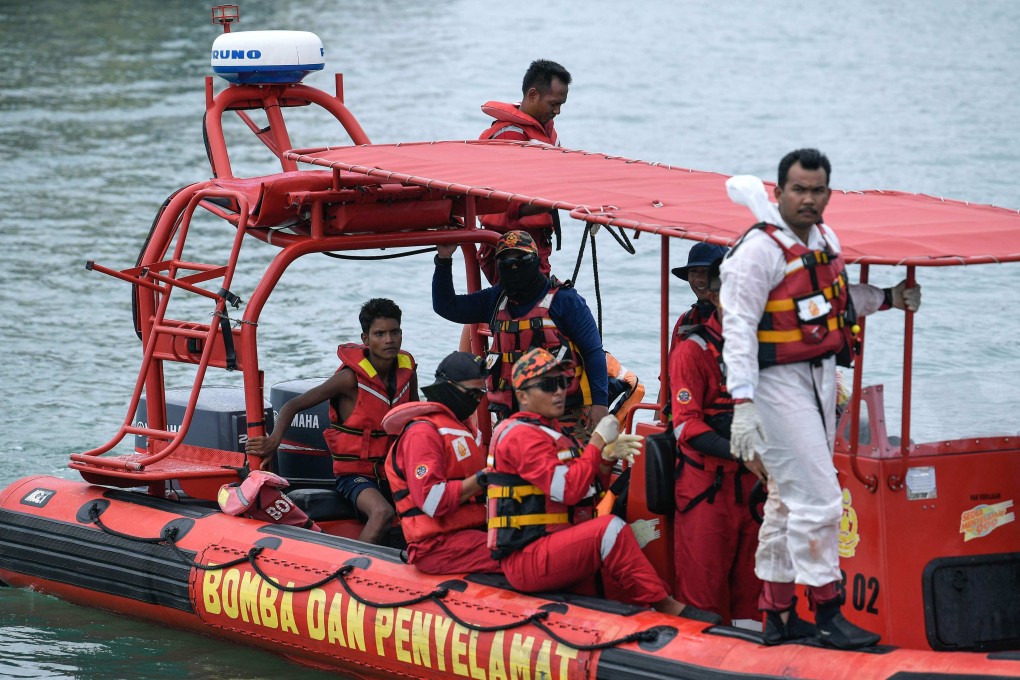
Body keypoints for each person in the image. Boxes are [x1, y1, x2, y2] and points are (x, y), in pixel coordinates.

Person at [720, 149, 922, 648]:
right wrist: (743, 404)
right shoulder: (758, 252)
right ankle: (828, 609)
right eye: (799, 189)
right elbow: (739, 329)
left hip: (819, 375)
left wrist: (890, 299)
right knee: (822, 498)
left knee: (788, 502)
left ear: (828, 194)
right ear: (780, 192)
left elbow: (836, 301)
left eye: (817, 190)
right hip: (775, 384)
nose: (808, 199)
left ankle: (777, 613)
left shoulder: (825, 241)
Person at [486, 348, 721, 623]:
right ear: (522, 395)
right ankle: (667, 606)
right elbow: (570, 491)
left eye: (563, 382)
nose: (560, 391)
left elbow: (588, 490)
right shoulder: (522, 436)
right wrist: (597, 442)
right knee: (609, 530)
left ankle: (648, 622)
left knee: (610, 575)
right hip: (530, 555)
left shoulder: (550, 433)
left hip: (554, 544)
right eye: (549, 385)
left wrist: (606, 458)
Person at [245, 298, 418, 545]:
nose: (389, 340)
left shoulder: (407, 369)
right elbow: (292, 405)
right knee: (382, 513)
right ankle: (354, 570)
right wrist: (274, 441)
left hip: (395, 472)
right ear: (366, 339)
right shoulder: (349, 379)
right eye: (380, 334)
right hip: (357, 477)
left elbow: (415, 415)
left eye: (395, 332)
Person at [433, 230, 609, 435]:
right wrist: (443, 259)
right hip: (510, 417)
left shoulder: (565, 301)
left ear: (535, 260)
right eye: (506, 263)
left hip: (564, 415)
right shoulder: (495, 299)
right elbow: (446, 306)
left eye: (521, 260)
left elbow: (593, 352)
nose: (514, 267)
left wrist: (600, 403)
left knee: (574, 466)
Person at [669, 255, 763, 625]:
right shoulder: (692, 350)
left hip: (756, 487)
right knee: (702, 593)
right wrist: (741, 452)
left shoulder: (768, 350)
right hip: (705, 488)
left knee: (755, 592)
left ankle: (753, 659)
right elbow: (685, 427)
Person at [382, 352, 501, 575]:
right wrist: (486, 476)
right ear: (448, 387)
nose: (477, 400)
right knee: (526, 556)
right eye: (472, 393)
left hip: (471, 534)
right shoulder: (422, 433)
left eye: (481, 394)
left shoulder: (465, 430)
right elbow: (431, 500)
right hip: (438, 547)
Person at [477, 59, 571, 283]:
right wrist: (568, 197)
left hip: (537, 244)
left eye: (561, 105)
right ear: (532, 95)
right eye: (553, 104)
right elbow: (512, 205)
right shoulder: (509, 136)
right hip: (510, 250)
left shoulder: (546, 132)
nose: (557, 111)